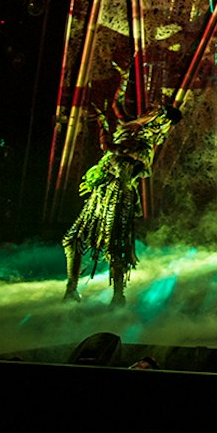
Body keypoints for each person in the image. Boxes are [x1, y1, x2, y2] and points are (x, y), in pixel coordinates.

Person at [62, 63, 181, 305]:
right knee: (73, 239)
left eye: (155, 111)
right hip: (103, 188)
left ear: (158, 121)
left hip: (119, 192)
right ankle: (71, 289)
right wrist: (124, 79)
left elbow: (109, 147)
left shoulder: (143, 143)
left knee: (114, 246)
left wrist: (103, 126)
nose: (149, 109)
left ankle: (118, 296)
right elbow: (117, 106)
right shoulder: (132, 126)